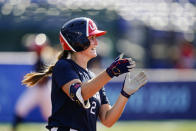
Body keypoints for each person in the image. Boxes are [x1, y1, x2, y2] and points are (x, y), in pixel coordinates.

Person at [22, 17, 147, 131]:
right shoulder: (63, 66)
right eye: (92, 38)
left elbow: (107, 120)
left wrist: (125, 94)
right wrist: (110, 72)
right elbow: (80, 94)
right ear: (78, 41)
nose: (96, 43)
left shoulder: (93, 77)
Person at [12, 38, 52, 131]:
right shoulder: (39, 58)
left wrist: (30, 78)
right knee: (21, 107)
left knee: (50, 115)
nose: (33, 49)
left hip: (45, 89)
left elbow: (43, 79)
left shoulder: (44, 59)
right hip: (36, 89)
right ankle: (13, 128)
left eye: (36, 48)